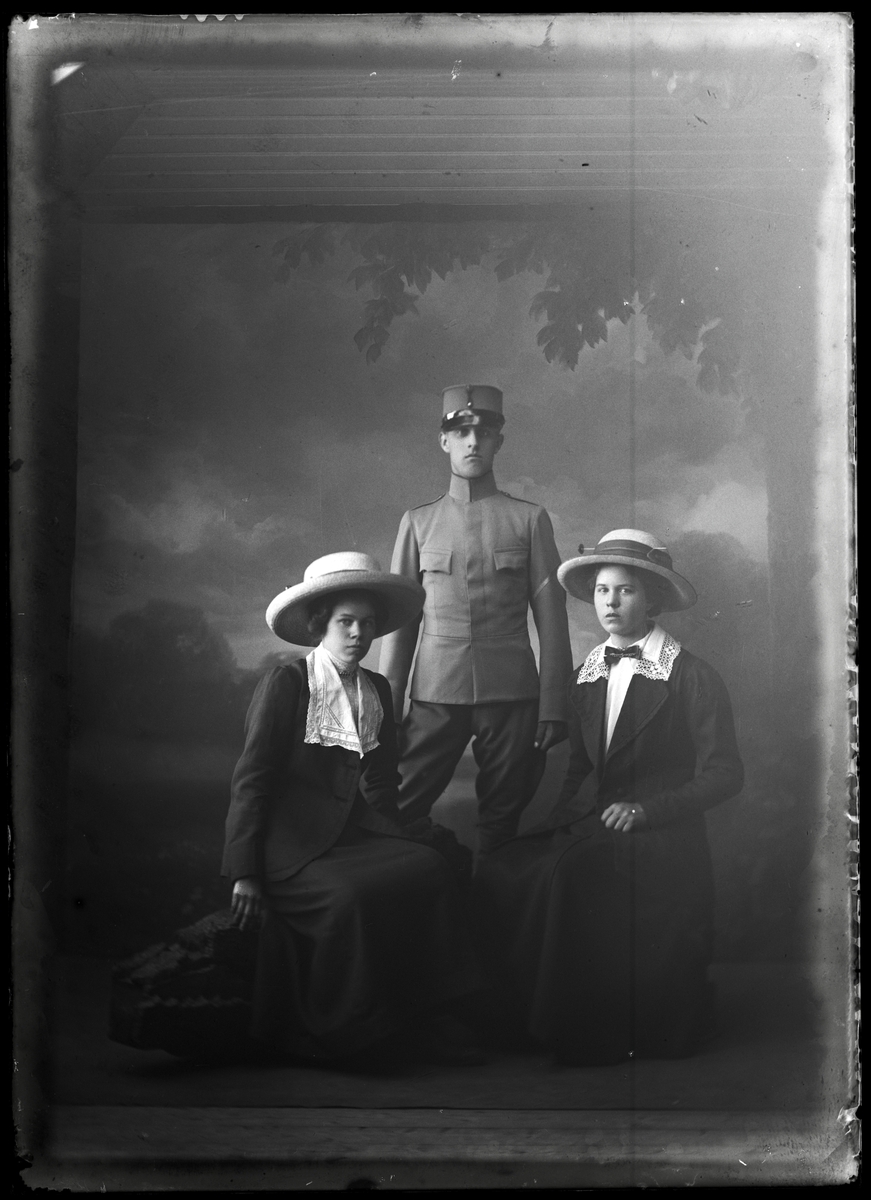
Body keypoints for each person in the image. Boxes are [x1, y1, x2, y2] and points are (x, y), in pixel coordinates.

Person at [473, 529, 745, 1065]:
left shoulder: (692, 676)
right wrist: (558, 828)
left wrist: (648, 810)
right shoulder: (587, 675)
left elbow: (725, 774)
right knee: (506, 865)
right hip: (594, 823)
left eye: (625, 590)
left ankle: (572, 1030)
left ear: (652, 599)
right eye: (602, 590)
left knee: (567, 875)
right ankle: (514, 1020)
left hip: (662, 837)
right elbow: (580, 769)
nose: (611, 603)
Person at [222, 551, 484, 1067]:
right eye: (346, 621)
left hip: (352, 835)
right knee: (351, 897)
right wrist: (244, 872)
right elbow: (252, 782)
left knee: (430, 866)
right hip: (291, 846)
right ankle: (355, 1035)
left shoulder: (377, 688)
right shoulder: (288, 683)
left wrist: (397, 831)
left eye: (367, 623)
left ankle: (431, 1013)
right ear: (321, 623)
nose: (358, 633)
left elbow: (381, 780)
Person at [378, 384, 573, 855]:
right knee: (397, 809)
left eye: (483, 433)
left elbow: (552, 620)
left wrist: (553, 705)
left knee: (502, 822)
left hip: (512, 694)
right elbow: (401, 622)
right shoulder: (418, 523)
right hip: (435, 692)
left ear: (498, 442)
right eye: (462, 433)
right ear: (443, 441)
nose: (472, 443)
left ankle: (490, 896)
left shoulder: (528, 520)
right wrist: (387, 707)